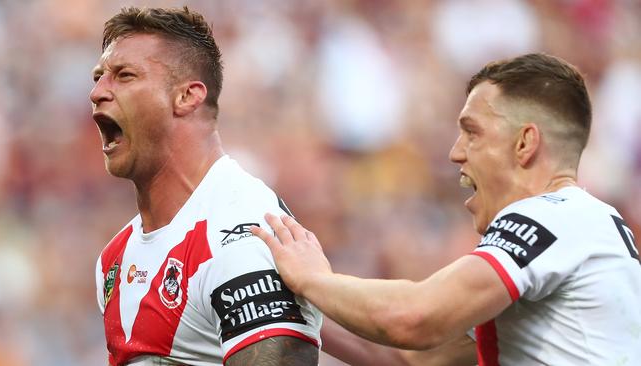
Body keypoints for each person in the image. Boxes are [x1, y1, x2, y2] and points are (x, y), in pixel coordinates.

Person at [252, 53, 641, 365]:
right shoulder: (581, 228)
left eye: (472, 132)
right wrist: (279, 296)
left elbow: (414, 319)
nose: (455, 152)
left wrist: (313, 280)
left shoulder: (552, 214)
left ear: (525, 143)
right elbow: (408, 357)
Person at [91, 7, 321, 366]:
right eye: (99, 77)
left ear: (187, 97)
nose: (97, 92)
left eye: (124, 76)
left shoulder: (241, 231)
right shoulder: (114, 260)